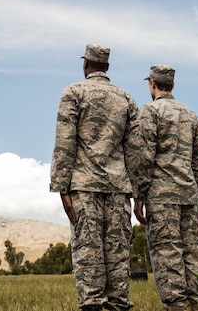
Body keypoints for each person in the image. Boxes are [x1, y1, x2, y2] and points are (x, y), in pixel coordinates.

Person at [50, 43, 140, 311]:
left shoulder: (73, 92)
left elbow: (64, 142)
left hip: (84, 188)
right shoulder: (126, 98)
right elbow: (134, 151)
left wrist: (61, 188)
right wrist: (138, 194)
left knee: (89, 258)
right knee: (117, 258)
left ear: (85, 64)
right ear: (107, 67)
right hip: (118, 188)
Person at [132, 65, 198, 311]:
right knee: (193, 255)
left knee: (168, 254)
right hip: (189, 195)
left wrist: (139, 195)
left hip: (162, 196)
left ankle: (176, 306)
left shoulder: (150, 112)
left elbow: (144, 157)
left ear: (152, 84)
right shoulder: (192, 115)